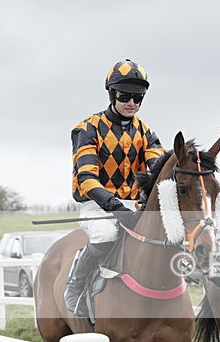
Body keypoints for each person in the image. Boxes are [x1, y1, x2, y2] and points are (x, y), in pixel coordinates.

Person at [65, 58, 164, 315]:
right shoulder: (87, 128)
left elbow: (157, 172)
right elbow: (87, 179)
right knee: (105, 235)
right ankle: (75, 285)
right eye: (125, 95)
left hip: (133, 205)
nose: (132, 103)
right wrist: (115, 207)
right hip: (97, 205)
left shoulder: (147, 133)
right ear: (112, 93)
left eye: (138, 97)